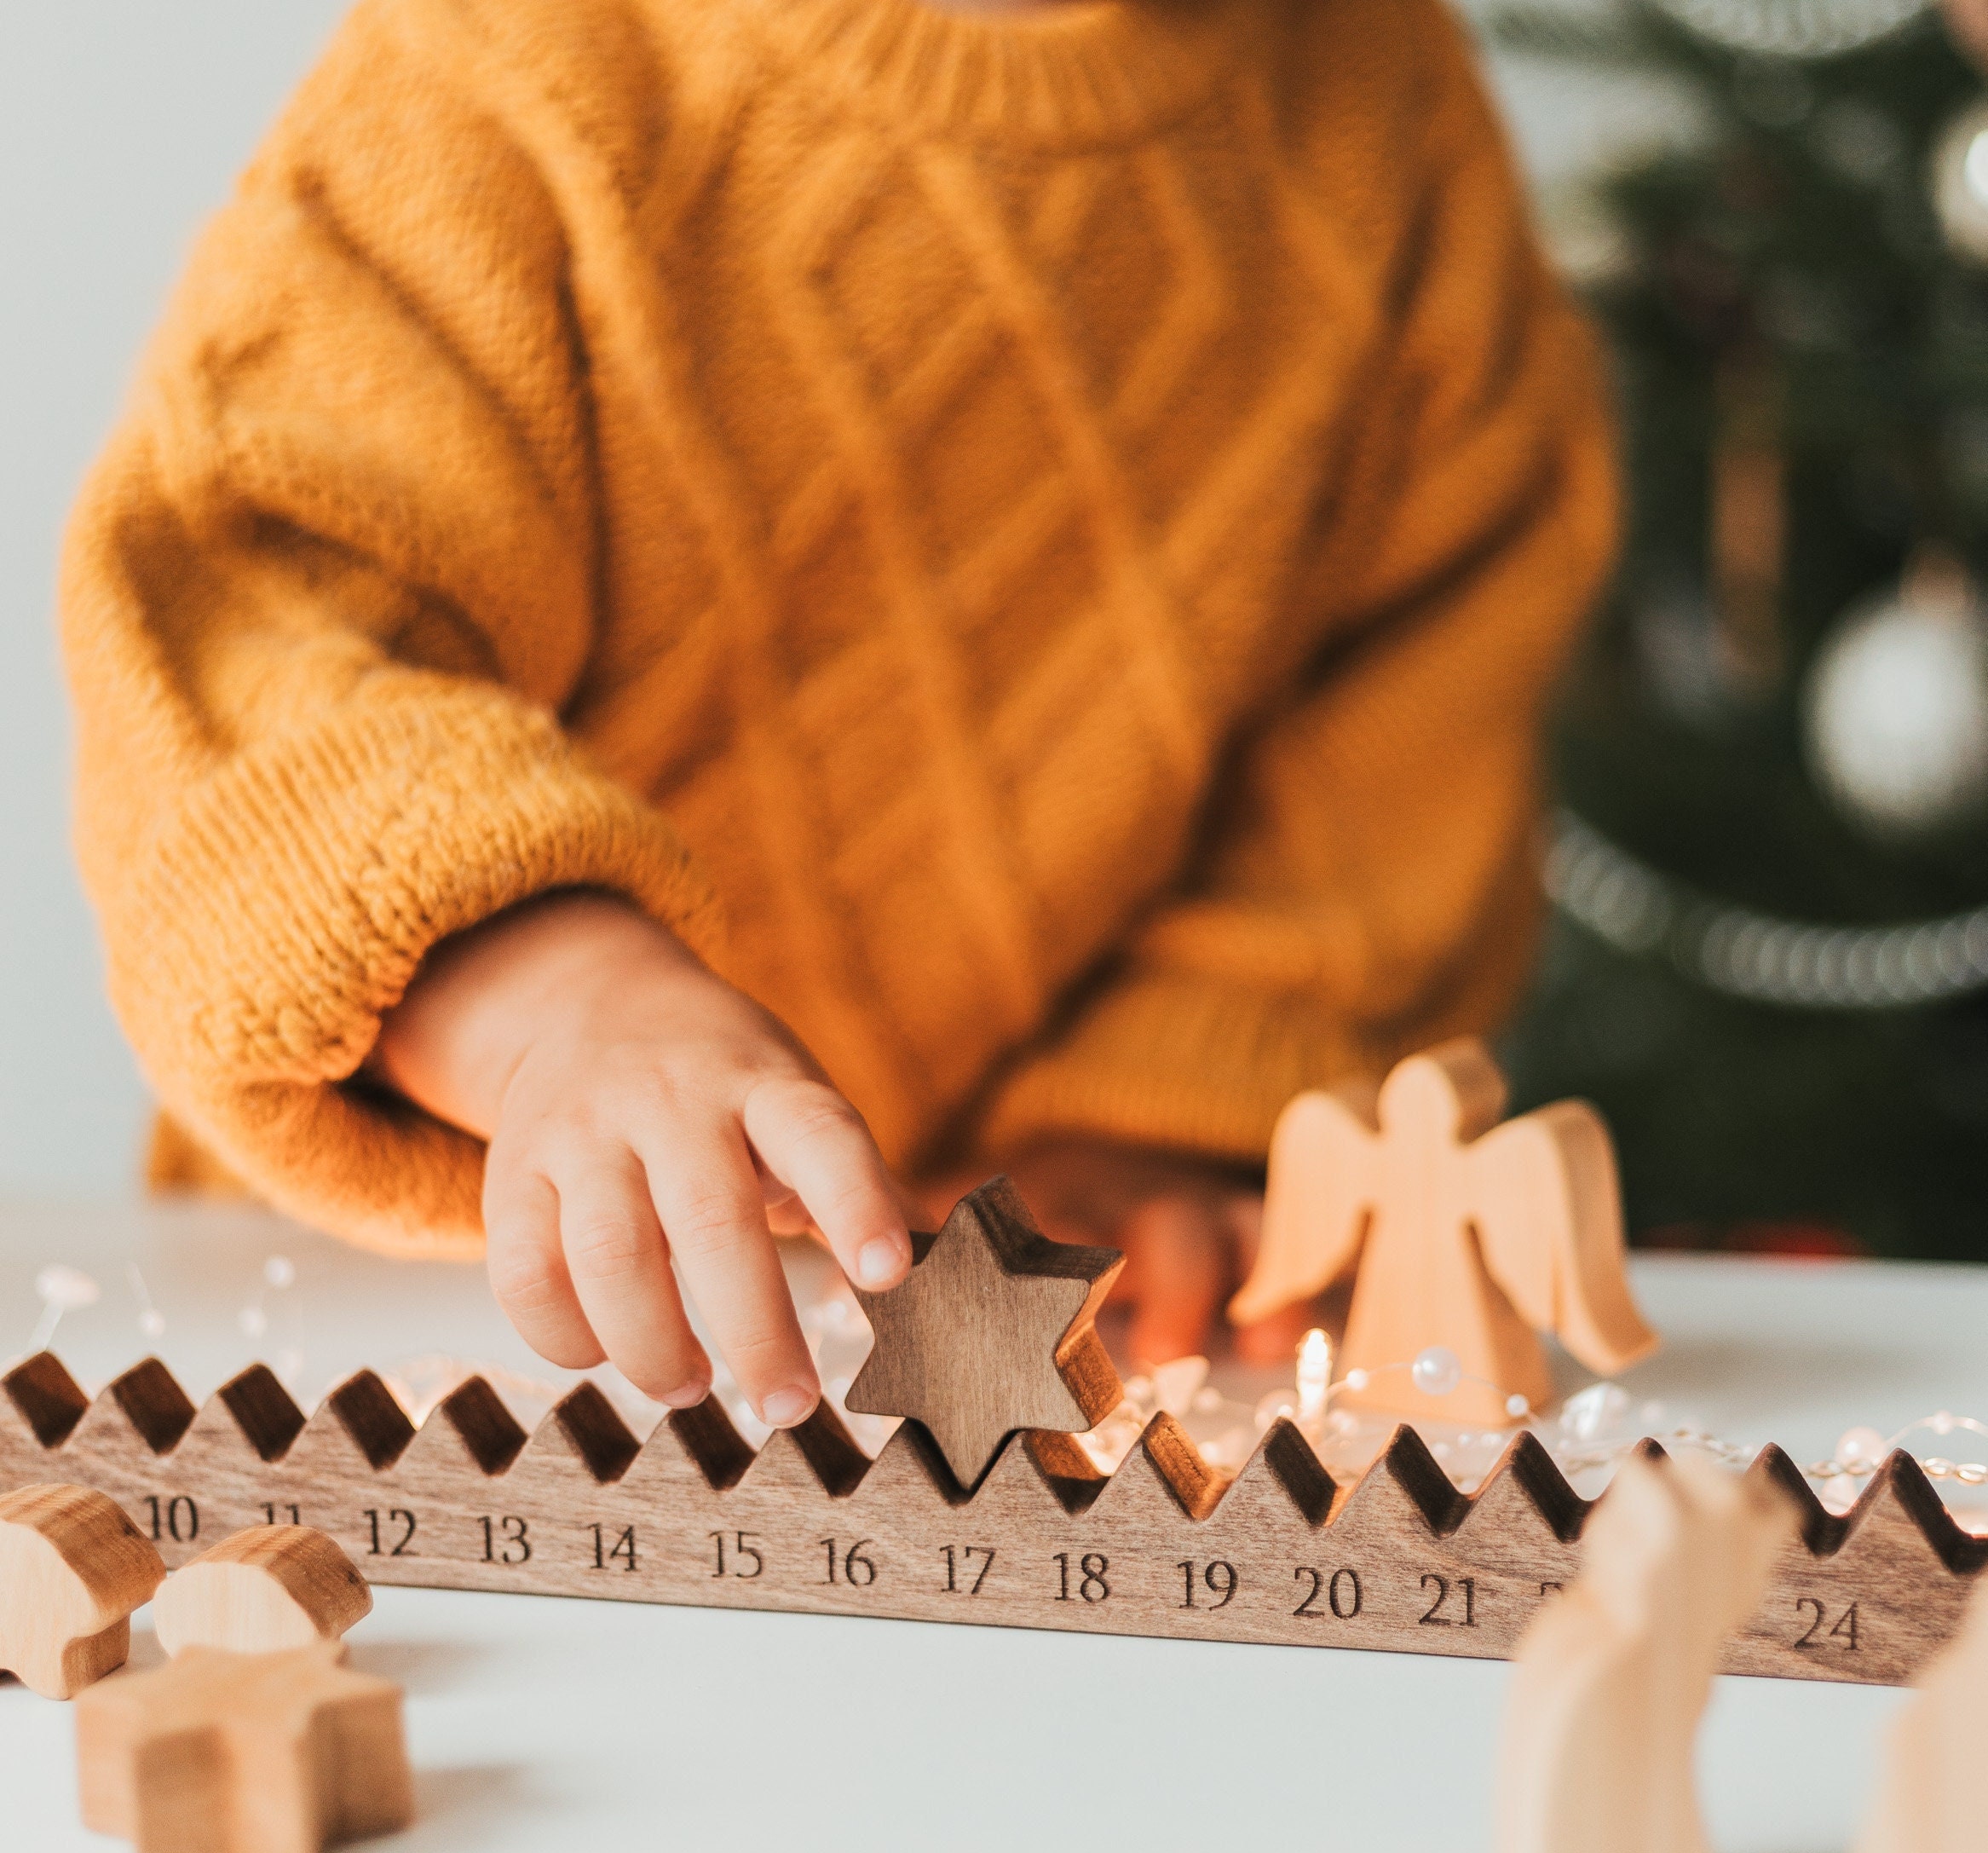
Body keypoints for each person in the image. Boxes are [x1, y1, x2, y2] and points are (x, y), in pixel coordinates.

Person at [61, 0, 1616, 1432]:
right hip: (409, 1314)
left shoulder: (1384, 100)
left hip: (1028, 1310)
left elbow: (1414, 687)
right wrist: (561, 1012)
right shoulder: (516, 63)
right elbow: (249, 626)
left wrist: (1154, 1110)